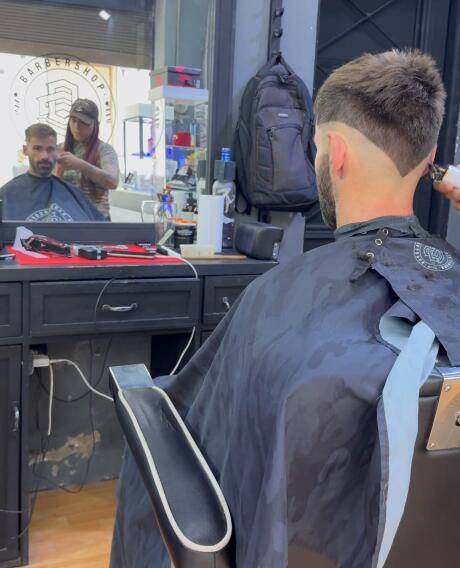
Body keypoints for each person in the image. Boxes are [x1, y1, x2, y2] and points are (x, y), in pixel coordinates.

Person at [110, 50, 460, 568]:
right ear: (430, 155)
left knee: (154, 402)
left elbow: (199, 425)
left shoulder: (275, 299)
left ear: (334, 151)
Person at [0, 123, 105, 222]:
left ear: (57, 151)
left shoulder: (73, 193)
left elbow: (101, 231)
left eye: (50, 149)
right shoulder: (7, 194)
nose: (44, 156)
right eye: (37, 148)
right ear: (25, 150)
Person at [55, 98, 119, 219]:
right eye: (73, 120)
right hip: (65, 219)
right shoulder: (58, 149)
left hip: (95, 220)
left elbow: (113, 181)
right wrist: (58, 171)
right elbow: (49, 189)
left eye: (83, 122)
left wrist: (80, 165)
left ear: (95, 124)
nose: (76, 126)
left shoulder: (104, 150)